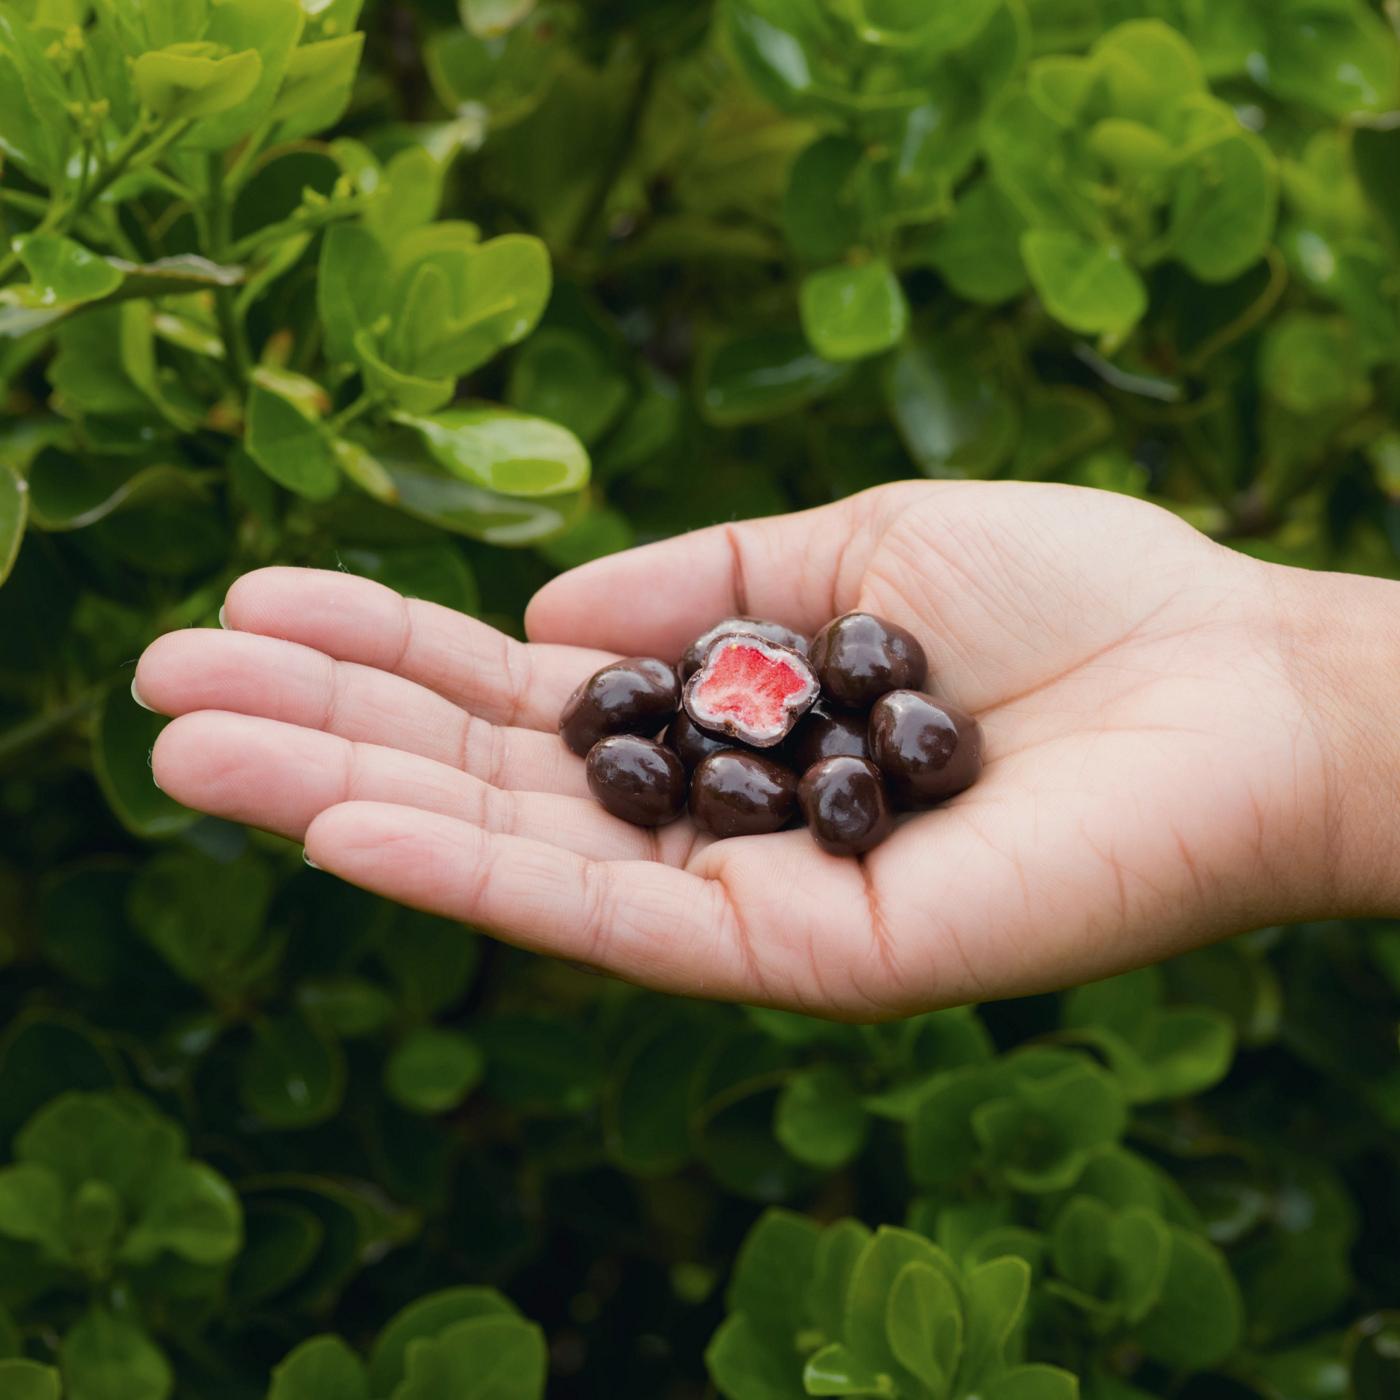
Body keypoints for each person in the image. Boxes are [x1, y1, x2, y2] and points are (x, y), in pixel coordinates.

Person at [132, 481, 1400, 1019]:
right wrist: (1304, 701)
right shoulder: (719, 712)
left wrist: (1310, 706)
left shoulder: (837, 716)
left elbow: (850, 736)